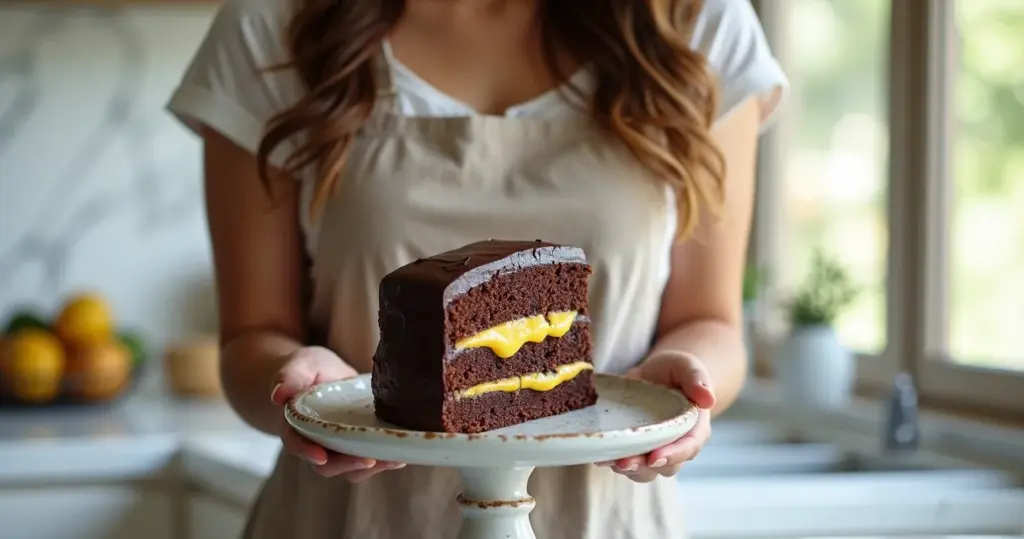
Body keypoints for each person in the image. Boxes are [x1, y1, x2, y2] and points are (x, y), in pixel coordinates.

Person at [168, 0, 787, 537]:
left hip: (605, 520)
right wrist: (304, 389)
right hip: (349, 521)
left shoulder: (695, 22)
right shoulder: (273, 25)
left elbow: (710, 321)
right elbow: (251, 336)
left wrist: (682, 389)